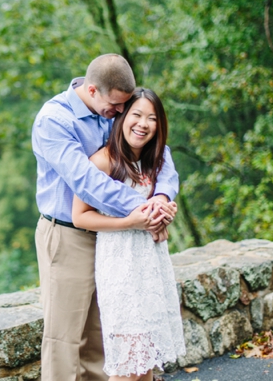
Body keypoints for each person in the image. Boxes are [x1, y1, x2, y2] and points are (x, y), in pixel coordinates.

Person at [32, 54, 179, 381]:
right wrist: (144, 210)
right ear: (92, 89)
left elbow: (160, 154)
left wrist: (161, 196)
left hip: (114, 240)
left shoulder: (113, 107)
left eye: (123, 107)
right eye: (115, 107)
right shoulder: (55, 120)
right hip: (68, 234)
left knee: (103, 338)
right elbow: (87, 181)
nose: (120, 114)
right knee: (65, 337)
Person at [71, 87, 186, 380]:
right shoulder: (103, 161)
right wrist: (130, 223)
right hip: (120, 264)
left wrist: (164, 209)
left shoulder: (156, 159)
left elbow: (163, 194)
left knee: (145, 361)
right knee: (127, 364)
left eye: (151, 118)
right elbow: (80, 217)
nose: (143, 124)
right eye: (136, 114)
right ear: (122, 117)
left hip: (151, 263)